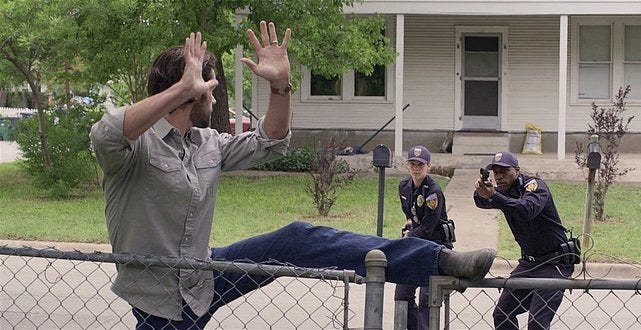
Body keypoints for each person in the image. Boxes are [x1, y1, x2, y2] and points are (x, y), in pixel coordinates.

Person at [90, 21, 496, 329]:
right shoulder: (134, 147)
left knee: (298, 238)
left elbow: (271, 138)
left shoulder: (206, 143)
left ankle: (440, 259)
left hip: (203, 278)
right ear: (187, 91)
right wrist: (181, 89)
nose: (213, 97)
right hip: (155, 296)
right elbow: (107, 131)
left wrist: (281, 88)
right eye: (207, 88)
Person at [473, 151, 576, 330]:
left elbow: (526, 210)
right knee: (502, 314)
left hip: (554, 263)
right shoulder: (504, 192)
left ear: (517, 170)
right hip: (529, 264)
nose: (499, 176)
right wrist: (482, 190)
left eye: (504, 171)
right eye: (496, 172)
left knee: (536, 323)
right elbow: (481, 202)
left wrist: (493, 196)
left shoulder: (535, 186)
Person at [395, 145, 457, 330]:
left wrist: (408, 236)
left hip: (435, 247)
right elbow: (410, 215)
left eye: (420, 165)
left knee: (427, 300)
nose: (416, 168)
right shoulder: (404, 187)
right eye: (412, 164)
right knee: (402, 295)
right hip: (415, 245)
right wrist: (408, 226)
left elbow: (428, 228)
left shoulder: (433, 192)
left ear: (429, 166)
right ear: (407, 165)